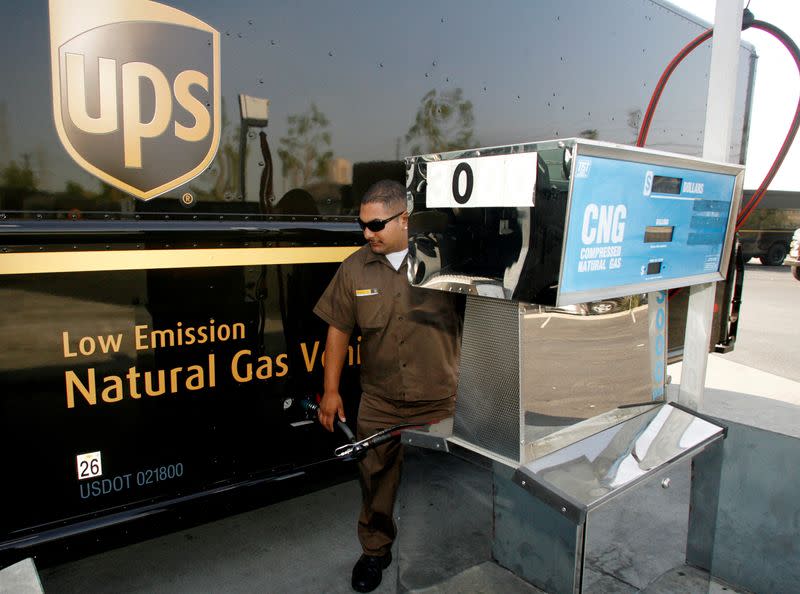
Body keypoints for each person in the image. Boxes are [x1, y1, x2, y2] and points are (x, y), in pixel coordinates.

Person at [313, 179, 461, 593]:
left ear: (404, 219)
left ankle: (450, 549)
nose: (367, 233)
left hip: (440, 400)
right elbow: (338, 331)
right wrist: (331, 391)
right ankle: (375, 550)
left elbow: (483, 319)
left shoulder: (445, 260)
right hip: (380, 402)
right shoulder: (354, 268)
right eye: (362, 224)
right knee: (375, 481)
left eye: (376, 224)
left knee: (447, 485)